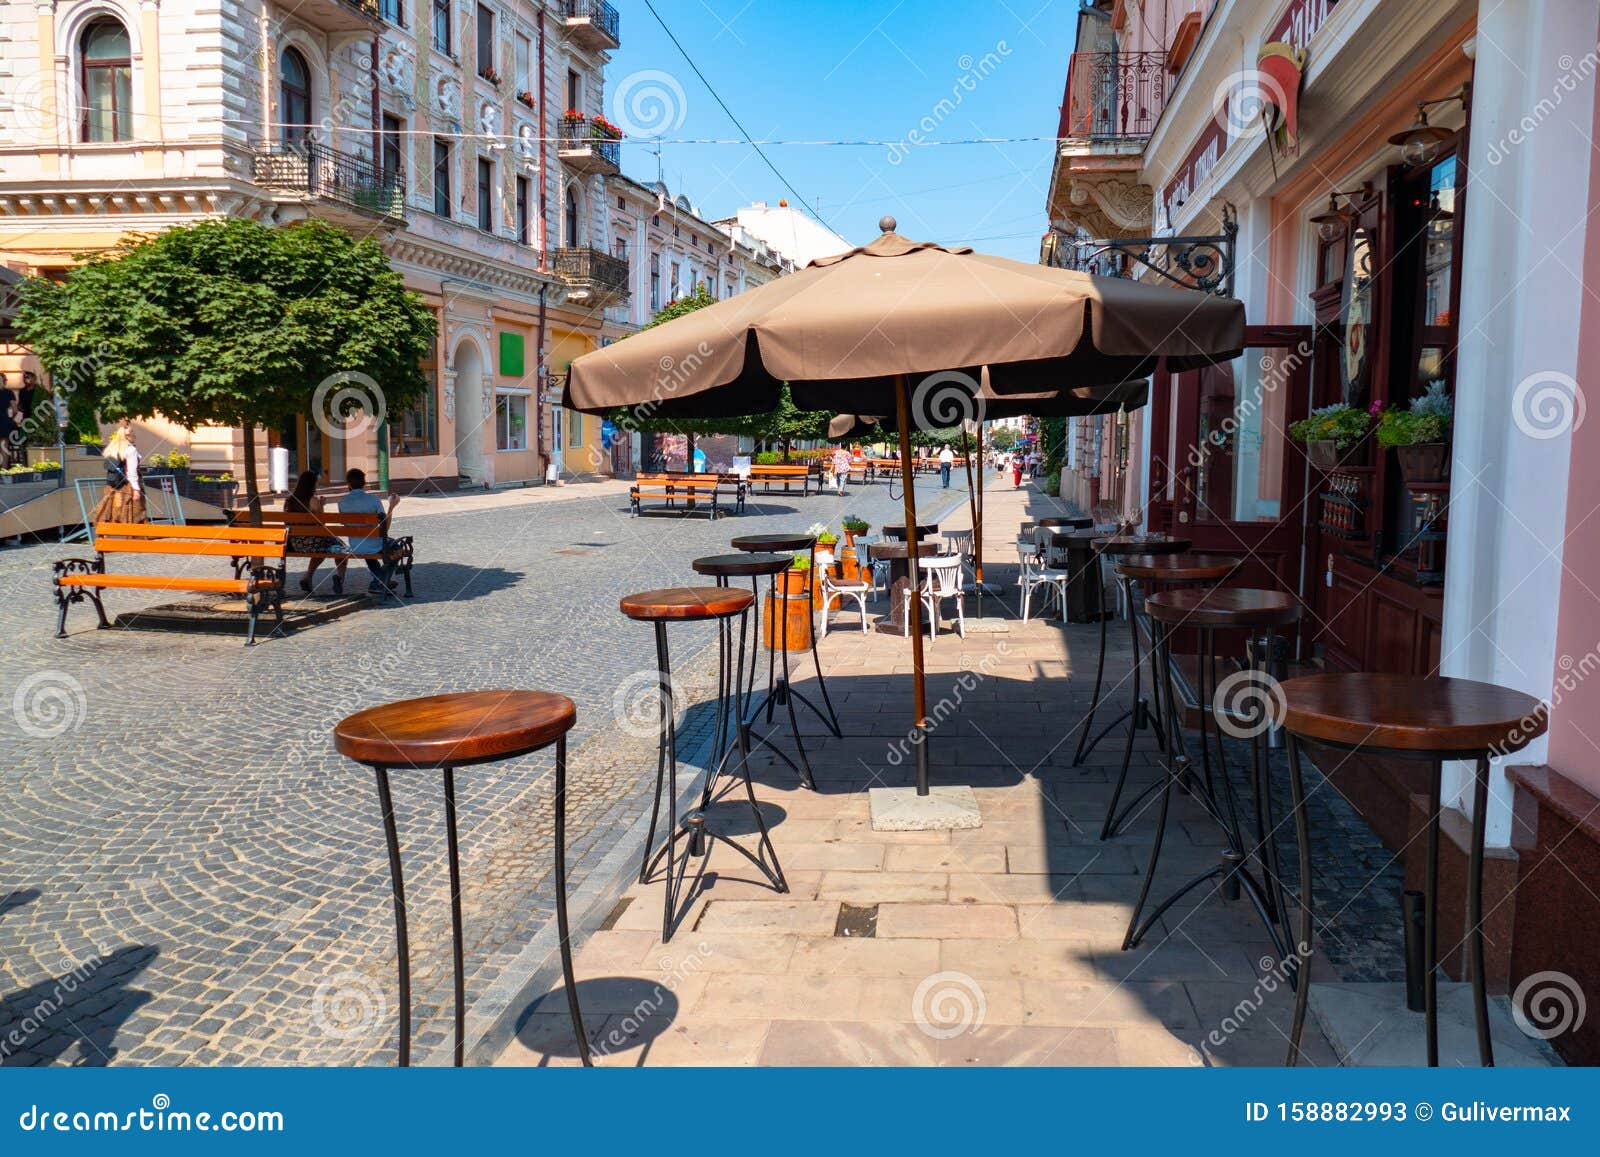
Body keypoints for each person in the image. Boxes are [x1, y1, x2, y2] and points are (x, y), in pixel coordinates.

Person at [335, 468, 401, 596]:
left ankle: (380, 580)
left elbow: (345, 524)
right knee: (397, 547)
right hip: (374, 544)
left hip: (356, 545)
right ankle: (381, 581)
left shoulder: (342, 502)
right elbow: (384, 529)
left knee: (369, 550)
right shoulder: (373, 499)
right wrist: (392, 506)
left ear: (348, 485)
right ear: (364, 483)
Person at [283, 470, 349, 594]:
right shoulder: (313, 501)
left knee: (321, 548)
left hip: (295, 544)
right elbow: (321, 524)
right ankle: (340, 579)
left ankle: (308, 578)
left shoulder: (289, 501)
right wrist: (322, 505)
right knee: (341, 548)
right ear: (312, 485)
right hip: (313, 543)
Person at [90, 420, 145, 524]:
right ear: (129, 435)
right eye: (132, 432)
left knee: (113, 512)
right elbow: (132, 472)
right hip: (127, 488)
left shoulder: (112, 448)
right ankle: (131, 537)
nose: (134, 435)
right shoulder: (130, 450)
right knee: (133, 513)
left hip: (112, 487)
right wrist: (136, 489)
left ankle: (113, 535)